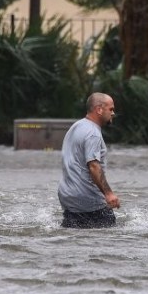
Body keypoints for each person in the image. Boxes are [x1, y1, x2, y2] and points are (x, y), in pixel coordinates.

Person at [58, 92, 120, 228]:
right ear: (99, 109)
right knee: (110, 240)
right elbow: (93, 166)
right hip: (89, 200)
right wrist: (109, 194)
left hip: (69, 198)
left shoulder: (76, 126)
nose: (113, 113)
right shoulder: (93, 134)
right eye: (111, 109)